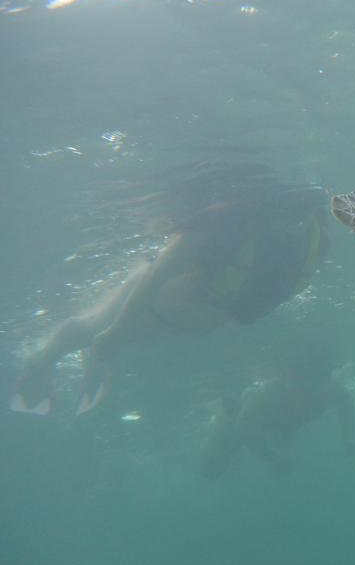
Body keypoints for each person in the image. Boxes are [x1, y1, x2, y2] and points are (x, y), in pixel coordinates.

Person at [10, 163, 330, 415]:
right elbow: (155, 277)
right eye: (288, 210)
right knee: (92, 327)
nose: (295, 222)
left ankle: (93, 358)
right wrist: (114, 332)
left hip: (185, 322)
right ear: (268, 205)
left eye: (305, 211)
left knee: (108, 337)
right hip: (155, 307)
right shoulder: (223, 226)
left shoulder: (312, 245)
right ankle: (40, 364)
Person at [201, 341, 355, 478]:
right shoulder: (270, 392)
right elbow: (243, 424)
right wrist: (272, 457)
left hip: (277, 421)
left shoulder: (330, 387)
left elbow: (346, 405)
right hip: (240, 414)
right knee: (212, 467)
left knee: (281, 442)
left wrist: (348, 438)